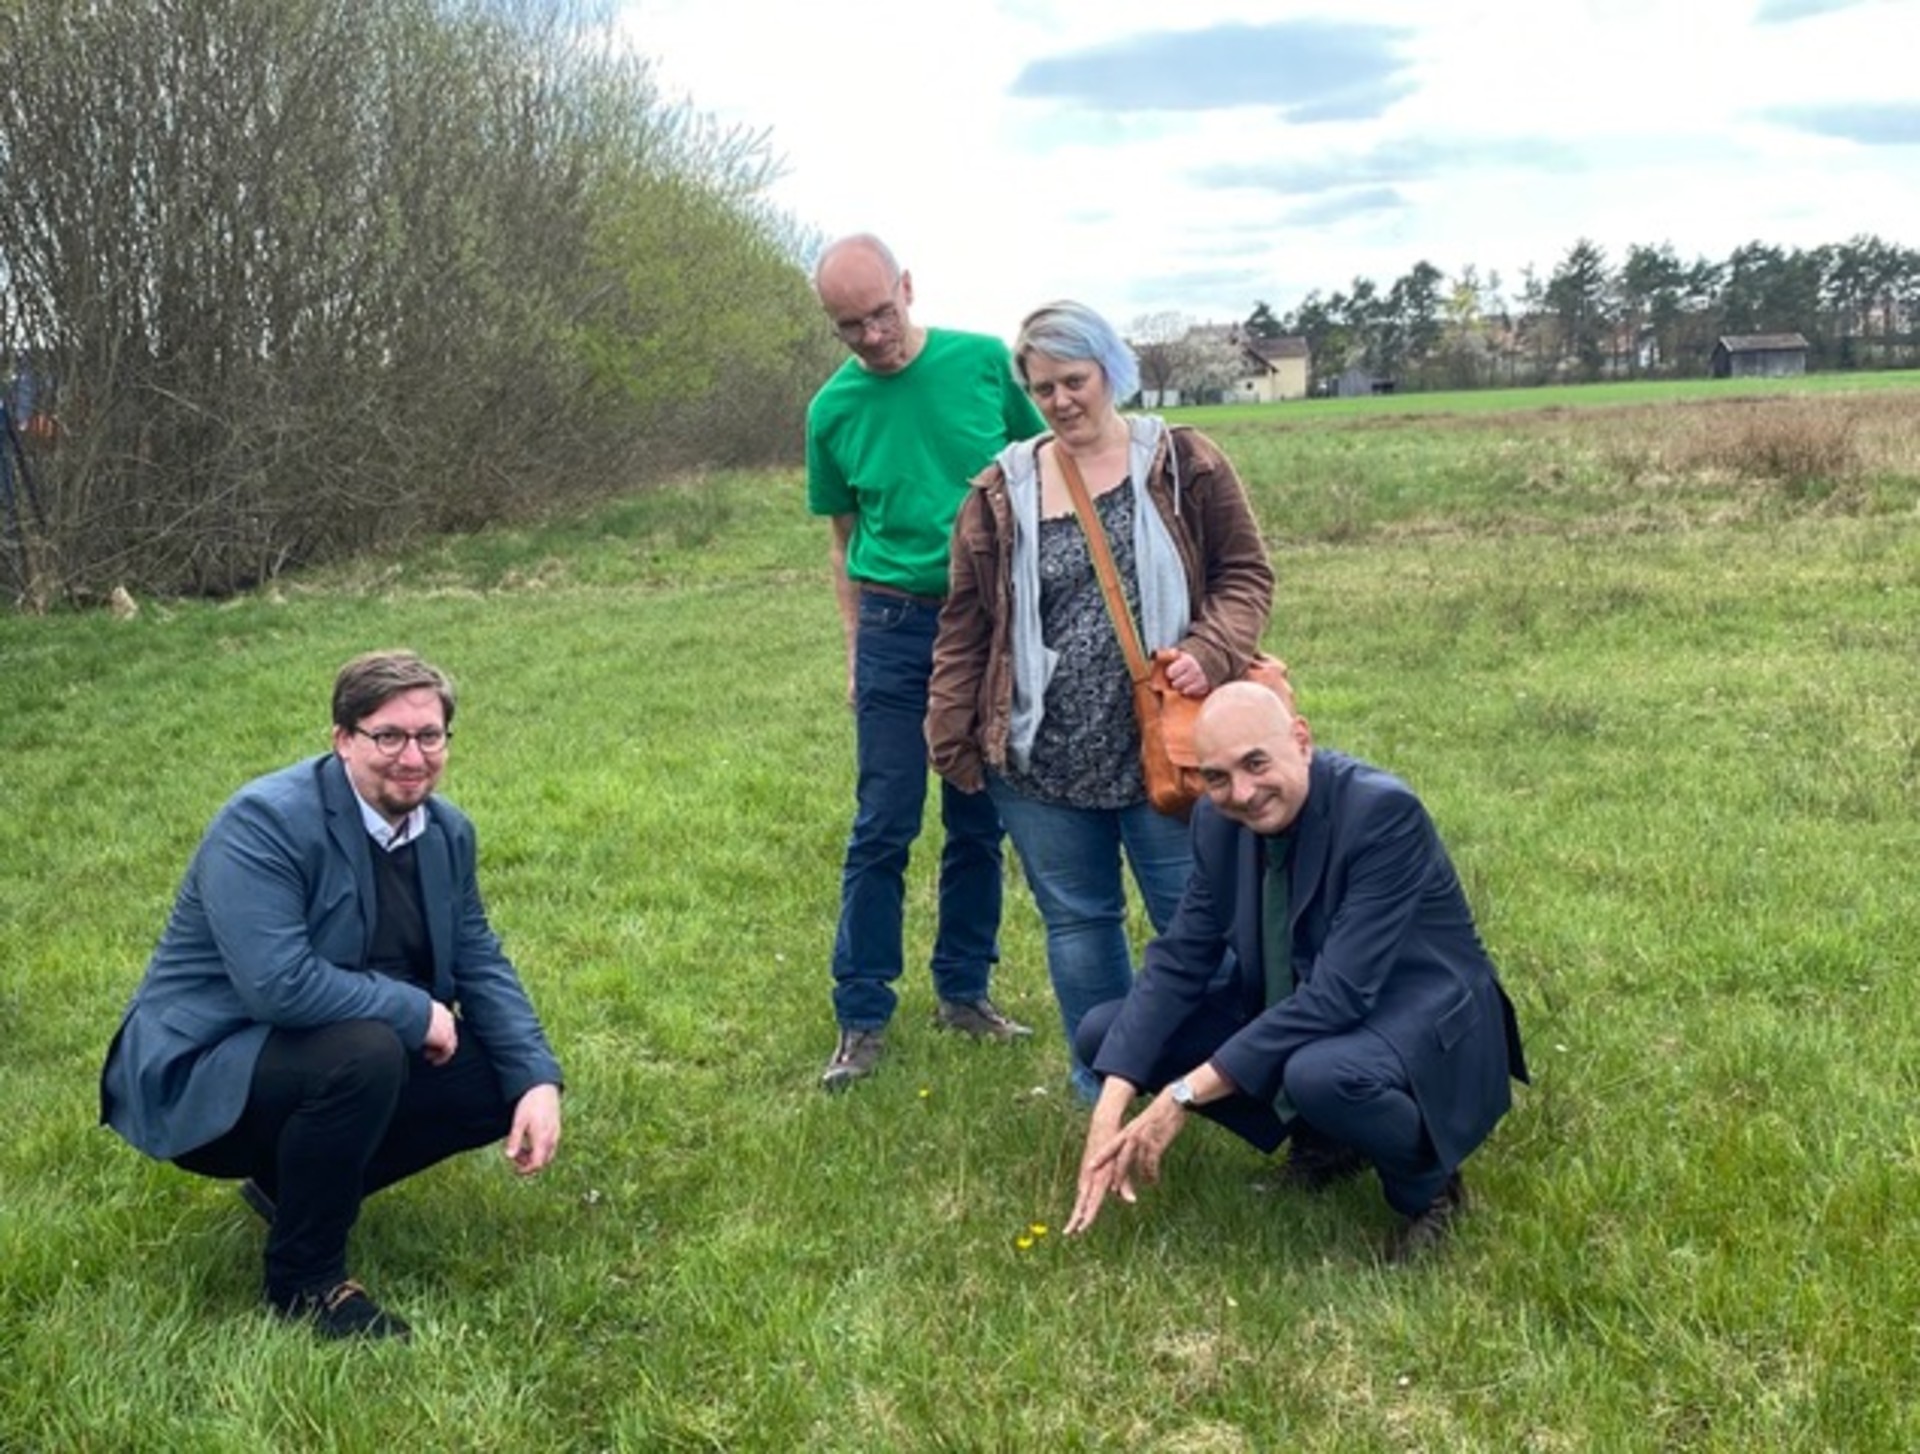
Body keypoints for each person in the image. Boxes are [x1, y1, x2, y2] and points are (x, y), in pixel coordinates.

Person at [99, 650, 563, 1340]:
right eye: (388, 736)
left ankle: (293, 1186)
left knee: (497, 1070)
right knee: (366, 1050)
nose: (413, 757)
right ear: (343, 738)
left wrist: (537, 1078)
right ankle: (306, 1283)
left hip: (321, 1047)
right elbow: (277, 984)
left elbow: (478, 957)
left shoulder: (447, 832)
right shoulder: (263, 823)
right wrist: (415, 1011)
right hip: (207, 1067)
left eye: (429, 735)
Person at [927, 301, 1275, 1100]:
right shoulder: (1000, 491)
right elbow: (967, 623)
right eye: (1042, 387)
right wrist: (950, 729)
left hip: (1173, 751)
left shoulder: (1183, 463)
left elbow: (1246, 574)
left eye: (1074, 381)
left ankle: (1229, 1089)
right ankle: (1106, 1089)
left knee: (1198, 924)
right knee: (1080, 926)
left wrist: (1209, 651)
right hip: (1042, 759)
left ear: (1111, 372)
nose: (1060, 401)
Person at [1064, 682, 1527, 1260]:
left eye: (1256, 763)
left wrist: (1182, 1094)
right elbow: (1180, 959)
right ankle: (1328, 1144)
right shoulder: (1215, 823)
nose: (1242, 793)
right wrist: (1110, 1108)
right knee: (1105, 1034)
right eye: (1217, 777)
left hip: (1416, 1009)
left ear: (1301, 740)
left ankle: (1431, 1188)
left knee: (1323, 1075)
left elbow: (1339, 995)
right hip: (1301, 1000)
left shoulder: (1382, 813)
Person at [806, 233, 1049, 1090]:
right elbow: (843, 539)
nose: (873, 336)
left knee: (979, 814)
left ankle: (965, 993)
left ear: (907, 287)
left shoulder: (982, 364)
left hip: (987, 624)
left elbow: (1048, 468)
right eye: (850, 326)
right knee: (883, 823)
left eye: (881, 313)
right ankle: (862, 1013)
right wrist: (854, 649)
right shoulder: (831, 411)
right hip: (893, 624)